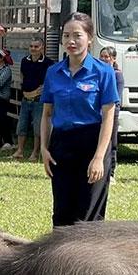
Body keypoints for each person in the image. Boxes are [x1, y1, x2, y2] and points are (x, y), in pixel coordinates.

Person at [41, 13, 119, 226]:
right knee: (62, 213)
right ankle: (59, 259)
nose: (71, 41)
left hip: (92, 143)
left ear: (90, 38)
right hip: (61, 145)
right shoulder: (53, 72)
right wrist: (44, 149)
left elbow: (108, 116)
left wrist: (99, 157)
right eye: (66, 36)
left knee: (89, 214)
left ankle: (89, 259)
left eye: (77, 35)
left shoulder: (103, 72)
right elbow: (47, 113)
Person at [14, 36, 52, 161]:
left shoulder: (48, 63)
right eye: (31, 46)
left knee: (37, 128)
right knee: (22, 126)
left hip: (39, 101)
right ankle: (19, 150)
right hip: (25, 99)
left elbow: (48, 82)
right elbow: (22, 76)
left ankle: (35, 153)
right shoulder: (25, 61)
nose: (33, 49)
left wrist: (37, 92)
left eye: (36, 46)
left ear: (42, 48)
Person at [98, 45, 125, 181]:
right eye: (101, 56)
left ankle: (111, 172)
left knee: (111, 142)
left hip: (111, 114)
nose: (103, 59)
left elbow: (116, 99)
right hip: (97, 113)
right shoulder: (97, 73)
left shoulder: (117, 75)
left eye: (106, 57)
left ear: (113, 59)